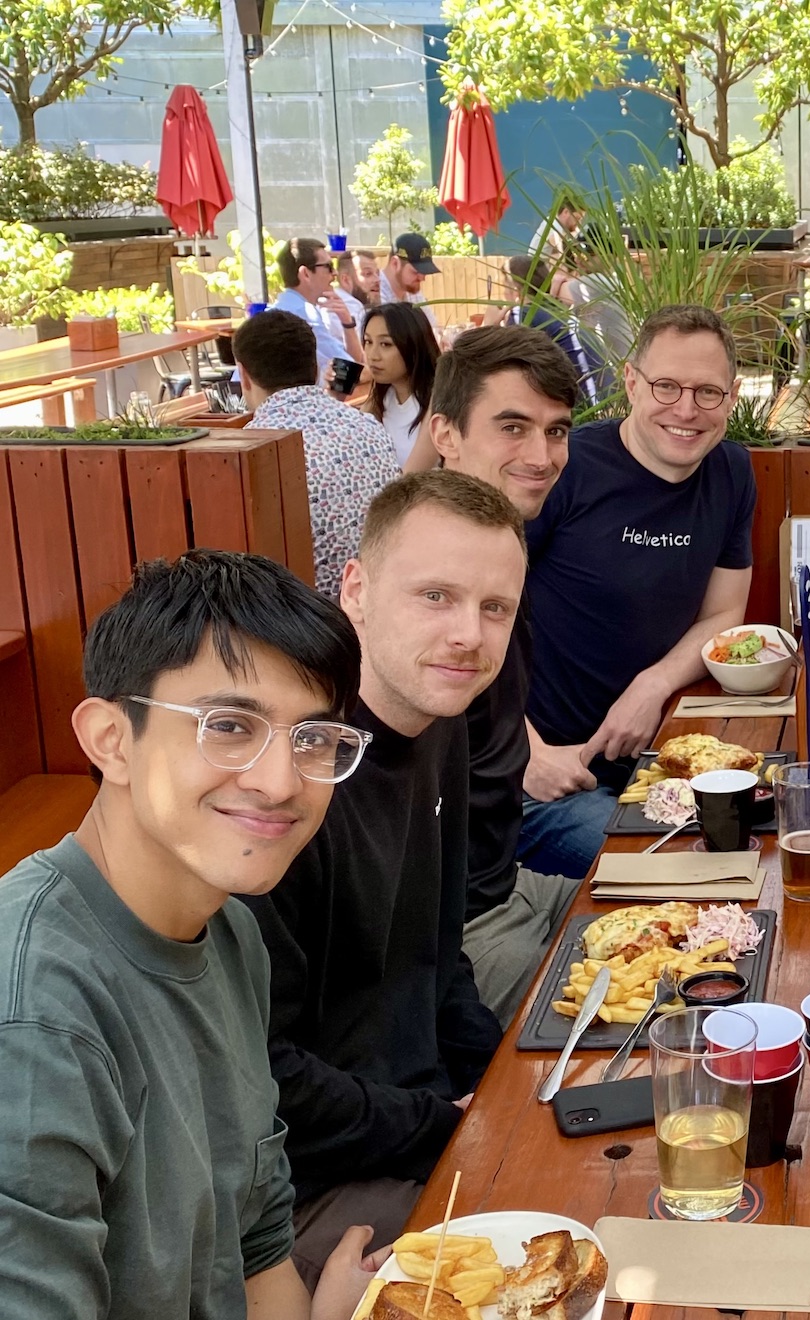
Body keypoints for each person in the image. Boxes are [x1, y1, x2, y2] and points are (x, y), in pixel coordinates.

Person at [0, 548, 385, 1320]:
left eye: (314, 739)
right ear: (110, 739)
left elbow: (256, 1238)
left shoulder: (231, 931)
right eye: (229, 726)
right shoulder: (35, 1015)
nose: (281, 782)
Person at [241, 470, 522, 1286]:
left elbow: (439, 960)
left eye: (494, 607)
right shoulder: (285, 785)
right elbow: (269, 1079)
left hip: (419, 1121)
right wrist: (445, 1127)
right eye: (435, 596)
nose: (468, 634)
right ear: (356, 591)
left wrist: (502, 1083)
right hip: (312, 1190)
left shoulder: (441, 720)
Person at [519, 305, 756, 879]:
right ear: (630, 381)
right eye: (666, 386)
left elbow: (724, 612)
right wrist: (523, 751)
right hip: (547, 772)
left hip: (660, 754)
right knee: (680, 867)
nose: (686, 409)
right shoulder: (564, 467)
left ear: (733, 395)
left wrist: (652, 685)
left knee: (752, 836)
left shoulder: (732, 470)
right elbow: (471, 621)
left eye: (707, 392)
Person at [424, 324, 582, 1024]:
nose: (542, 455)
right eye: (512, 427)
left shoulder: (494, 559)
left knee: (713, 925)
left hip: (512, 882)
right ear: (445, 434)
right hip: (461, 931)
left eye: (556, 432)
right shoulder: (423, 586)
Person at [235, 311, 398, 597]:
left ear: (244, 375)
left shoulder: (251, 448)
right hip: (381, 601)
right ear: (315, 366)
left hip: (302, 623)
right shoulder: (368, 426)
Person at [505, 253, 602, 400]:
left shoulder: (524, 312)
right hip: (602, 397)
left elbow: (505, 367)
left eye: (504, 284)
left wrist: (488, 324)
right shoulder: (556, 311)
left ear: (515, 288)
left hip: (587, 404)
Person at [359, 301, 440, 470]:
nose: (373, 355)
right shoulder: (381, 398)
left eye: (386, 344)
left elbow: (410, 481)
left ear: (413, 344)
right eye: (368, 342)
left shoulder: (438, 399)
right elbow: (349, 444)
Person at [273, 237, 361, 376]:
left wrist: (347, 322)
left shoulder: (284, 307)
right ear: (305, 274)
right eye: (328, 266)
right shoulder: (305, 315)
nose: (335, 273)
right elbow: (350, 373)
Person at [380, 232, 441, 335]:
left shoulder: (412, 291)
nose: (422, 278)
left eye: (424, 272)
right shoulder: (375, 293)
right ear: (395, 264)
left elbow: (433, 327)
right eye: (415, 272)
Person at [334, 251, 372, 321]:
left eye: (377, 273)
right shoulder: (351, 304)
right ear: (345, 280)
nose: (377, 279)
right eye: (368, 274)